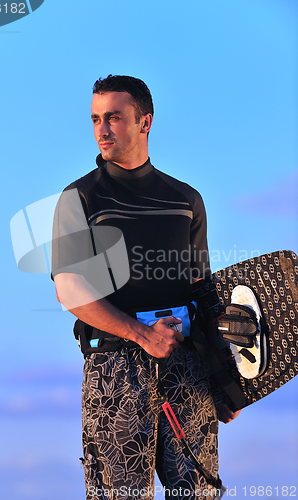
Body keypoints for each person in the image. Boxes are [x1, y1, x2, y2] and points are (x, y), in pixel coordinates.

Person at [52, 75, 240, 500]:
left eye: (115, 118)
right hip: (116, 372)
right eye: (96, 119)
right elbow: (70, 290)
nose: (102, 129)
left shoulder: (185, 200)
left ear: (145, 122)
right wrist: (141, 334)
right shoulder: (79, 198)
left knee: (198, 494)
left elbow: (201, 292)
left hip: (186, 370)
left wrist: (224, 380)